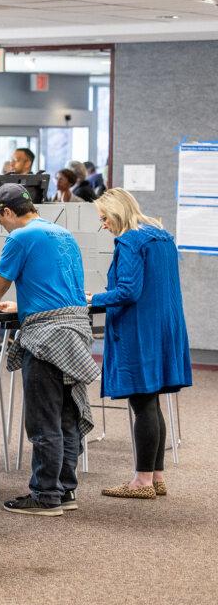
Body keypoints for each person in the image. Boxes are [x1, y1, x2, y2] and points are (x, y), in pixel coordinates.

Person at [0, 184, 99, 516]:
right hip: (75, 332)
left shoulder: (20, 237)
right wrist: (18, 306)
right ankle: (65, 490)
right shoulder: (62, 234)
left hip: (46, 337)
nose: (1, 225)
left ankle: (44, 495)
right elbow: (58, 289)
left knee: (43, 419)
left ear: (6, 212)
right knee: (66, 415)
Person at [90, 190, 191, 499]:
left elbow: (127, 292)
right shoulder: (161, 236)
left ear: (117, 214)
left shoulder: (130, 241)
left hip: (140, 328)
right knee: (151, 400)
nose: (104, 225)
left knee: (142, 402)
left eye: (104, 218)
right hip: (166, 325)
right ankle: (156, 477)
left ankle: (142, 482)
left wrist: (93, 300)